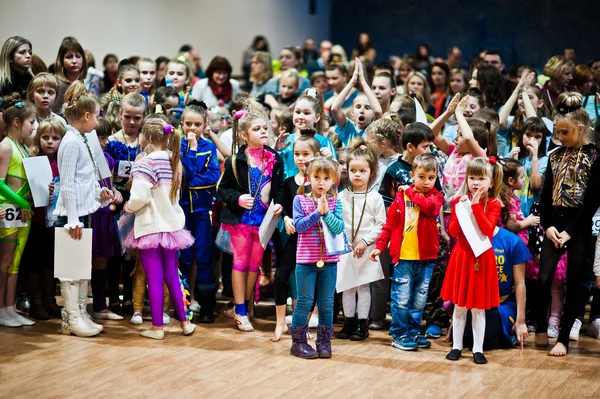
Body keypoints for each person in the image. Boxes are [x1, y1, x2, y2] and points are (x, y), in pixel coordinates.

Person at [535, 92, 599, 356]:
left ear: (581, 129)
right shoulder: (555, 155)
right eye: (557, 132)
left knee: (574, 281)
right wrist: (547, 225)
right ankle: (540, 327)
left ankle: (562, 337)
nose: (559, 137)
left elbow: (594, 199)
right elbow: (546, 193)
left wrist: (570, 232)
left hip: (580, 224)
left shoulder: (594, 155)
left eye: (565, 132)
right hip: (554, 221)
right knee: (544, 278)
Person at [123, 118, 196, 339]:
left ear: (144, 138)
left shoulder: (144, 163)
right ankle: (185, 323)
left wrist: (128, 205)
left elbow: (140, 197)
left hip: (150, 226)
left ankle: (157, 328)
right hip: (172, 227)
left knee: (154, 278)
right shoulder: (174, 161)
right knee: (172, 275)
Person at [53, 81, 115, 337]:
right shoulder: (69, 142)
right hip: (72, 216)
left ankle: (80, 312)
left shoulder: (81, 139)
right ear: (87, 116)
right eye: (97, 115)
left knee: (80, 266)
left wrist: (99, 195)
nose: (98, 121)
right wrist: (73, 218)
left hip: (82, 212)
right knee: (70, 268)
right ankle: (72, 316)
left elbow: (84, 180)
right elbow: (67, 184)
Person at [217, 104, 284, 332]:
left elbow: (279, 188)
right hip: (242, 222)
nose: (264, 131)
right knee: (240, 263)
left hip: (263, 222)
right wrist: (237, 198)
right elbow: (222, 190)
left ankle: (245, 306)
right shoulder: (236, 161)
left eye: (265, 127)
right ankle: (240, 310)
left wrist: (280, 203)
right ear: (245, 135)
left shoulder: (275, 158)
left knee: (254, 266)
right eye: (257, 129)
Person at [371, 153, 444, 350]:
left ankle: (413, 332)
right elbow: (389, 224)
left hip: (426, 259)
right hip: (403, 258)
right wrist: (379, 246)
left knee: (419, 300)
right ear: (412, 175)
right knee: (401, 299)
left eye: (431, 178)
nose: (427, 182)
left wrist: (410, 192)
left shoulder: (436, 197)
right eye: (422, 177)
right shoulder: (400, 198)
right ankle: (399, 334)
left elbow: (429, 208)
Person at [441, 157, 503, 364]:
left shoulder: (494, 204)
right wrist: (461, 209)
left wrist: (476, 207)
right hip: (463, 257)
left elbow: (487, 231)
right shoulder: (460, 202)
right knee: (459, 305)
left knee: (478, 307)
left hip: (482, 258)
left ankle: (478, 349)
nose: (476, 182)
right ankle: (457, 346)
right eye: (472, 177)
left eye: (481, 178)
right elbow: (453, 231)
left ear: (491, 182)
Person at [290, 157, 344, 359]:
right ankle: (298, 343)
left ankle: (324, 341)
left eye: (326, 178)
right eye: (317, 177)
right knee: (304, 302)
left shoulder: (336, 202)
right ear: (308, 178)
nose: (321, 182)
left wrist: (327, 213)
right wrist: (317, 213)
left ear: (333, 181)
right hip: (305, 262)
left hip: (329, 262)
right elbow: (299, 226)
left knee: (327, 303)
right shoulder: (300, 200)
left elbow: (338, 227)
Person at [273, 132, 319, 342]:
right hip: (295, 238)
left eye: (305, 154)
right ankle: (281, 322)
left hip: (314, 240)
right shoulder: (289, 181)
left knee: (311, 284)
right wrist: (285, 219)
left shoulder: (320, 182)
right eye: (297, 154)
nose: (301, 158)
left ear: (316, 155)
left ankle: (304, 324)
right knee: (281, 276)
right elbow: (282, 205)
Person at [337, 140, 385, 341]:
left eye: (362, 171)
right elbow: (336, 221)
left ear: (371, 172)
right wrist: (343, 241)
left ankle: (362, 323)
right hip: (346, 248)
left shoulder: (375, 198)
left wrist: (364, 242)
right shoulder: (341, 196)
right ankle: (348, 322)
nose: (357, 174)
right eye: (353, 170)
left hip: (366, 249)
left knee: (364, 286)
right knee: (347, 286)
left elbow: (380, 224)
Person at [179, 100, 221, 323]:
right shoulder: (176, 146)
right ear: (182, 123)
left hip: (203, 212)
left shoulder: (209, 147)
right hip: (181, 212)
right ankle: (182, 306)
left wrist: (188, 181)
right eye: (188, 123)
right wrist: (188, 176)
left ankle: (207, 307)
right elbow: (182, 174)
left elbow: (213, 176)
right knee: (184, 260)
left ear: (205, 125)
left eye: (197, 124)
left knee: (204, 259)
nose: (192, 128)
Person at [21, 120, 65, 320]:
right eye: (45, 137)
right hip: (36, 219)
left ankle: (50, 300)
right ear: (38, 139)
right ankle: (36, 302)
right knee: (34, 261)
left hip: (55, 220)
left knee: (51, 261)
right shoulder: (34, 159)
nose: (50, 142)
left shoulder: (62, 161)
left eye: (55, 138)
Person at [0, 94, 36, 328]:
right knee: (4, 262)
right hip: (10, 210)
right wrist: (22, 203)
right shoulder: (5, 146)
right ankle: (1, 309)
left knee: (15, 262)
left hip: (23, 211)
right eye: (31, 122)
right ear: (16, 123)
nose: (34, 127)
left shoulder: (23, 147)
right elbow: (0, 183)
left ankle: (10, 308)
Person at [332, 58, 382, 147]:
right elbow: (335, 109)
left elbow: (378, 111)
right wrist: (352, 82)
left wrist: (363, 81)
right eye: (358, 107)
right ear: (352, 112)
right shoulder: (348, 128)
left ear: (373, 114)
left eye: (367, 108)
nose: (362, 110)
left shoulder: (375, 129)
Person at [499, 158, 540, 244]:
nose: (524, 180)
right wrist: (528, 222)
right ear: (511, 181)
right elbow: (512, 225)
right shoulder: (508, 200)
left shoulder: (510, 197)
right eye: (522, 177)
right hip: (513, 242)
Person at [26, 72, 67, 137]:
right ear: (32, 95)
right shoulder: (25, 121)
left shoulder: (61, 122)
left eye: (50, 92)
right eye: (40, 91)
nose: (45, 96)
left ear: (56, 97)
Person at [53, 38, 87, 114]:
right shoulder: (58, 85)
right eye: (69, 57)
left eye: (78, 56)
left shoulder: (82, 82)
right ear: (61, 61)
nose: (74, 61)